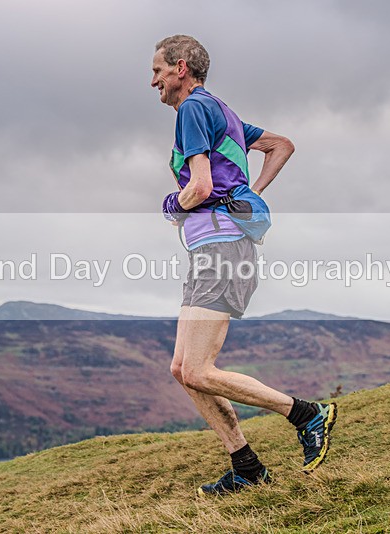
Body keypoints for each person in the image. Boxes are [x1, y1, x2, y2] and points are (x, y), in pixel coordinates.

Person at [150, 35, 338, 496]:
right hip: (211, 250)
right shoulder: (222, 112)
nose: (152, 81)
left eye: (157, 70)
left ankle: (307, 414)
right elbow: (281, 145)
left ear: (180, 68)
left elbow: (199, 187)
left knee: (198, 369)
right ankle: (247, 467)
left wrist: (172, 204)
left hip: (222, 248)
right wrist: (250, 193)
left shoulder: (194, 108)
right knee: (182, 368)